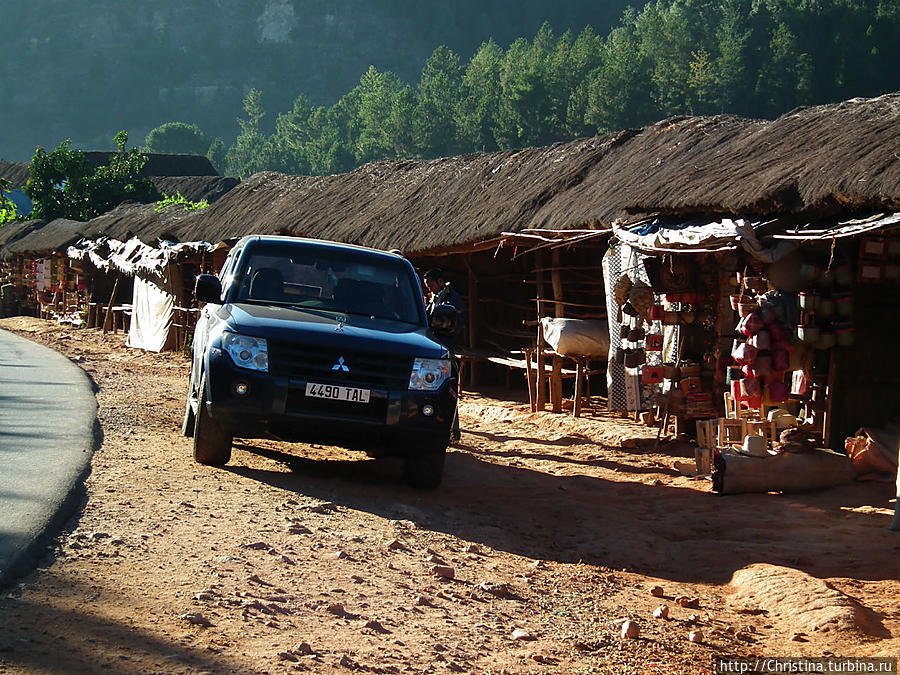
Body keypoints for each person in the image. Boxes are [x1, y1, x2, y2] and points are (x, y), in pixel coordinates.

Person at [423, 268, 466, 441]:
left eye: (431, 285)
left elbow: (453, 327)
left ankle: (452, 430)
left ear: (440, 282)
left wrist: (445, 345)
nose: (429, 289)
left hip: (445, 349)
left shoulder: (452, 300)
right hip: (435, 347)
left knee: (448, 389)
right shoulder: (436, 298)